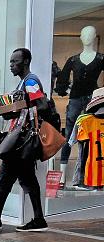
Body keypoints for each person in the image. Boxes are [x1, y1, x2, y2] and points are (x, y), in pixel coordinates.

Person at [0, 47, 48, 233]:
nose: (11, 65)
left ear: (26, 61)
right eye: (10, 62)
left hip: (21, 139)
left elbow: (42, 104)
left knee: (5, 176)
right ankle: (38, 219)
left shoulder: (30, 82)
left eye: (15, 62)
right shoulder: (23, 83)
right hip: (21, 139)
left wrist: (22, 107)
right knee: (27, 179)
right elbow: (21, 109)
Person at [55, 26, 104, 185]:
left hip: (93, 101)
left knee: (90, 135)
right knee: (69, 135)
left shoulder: (101, 59)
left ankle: (85, 176)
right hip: (75, 99)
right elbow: (61, 80)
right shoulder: (73, 60)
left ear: (95, 36)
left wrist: (100, 94)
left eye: (90, 34)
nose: (88, 37)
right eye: (85, 34)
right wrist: (67, 90)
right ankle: (61, 176)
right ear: (81, 37)